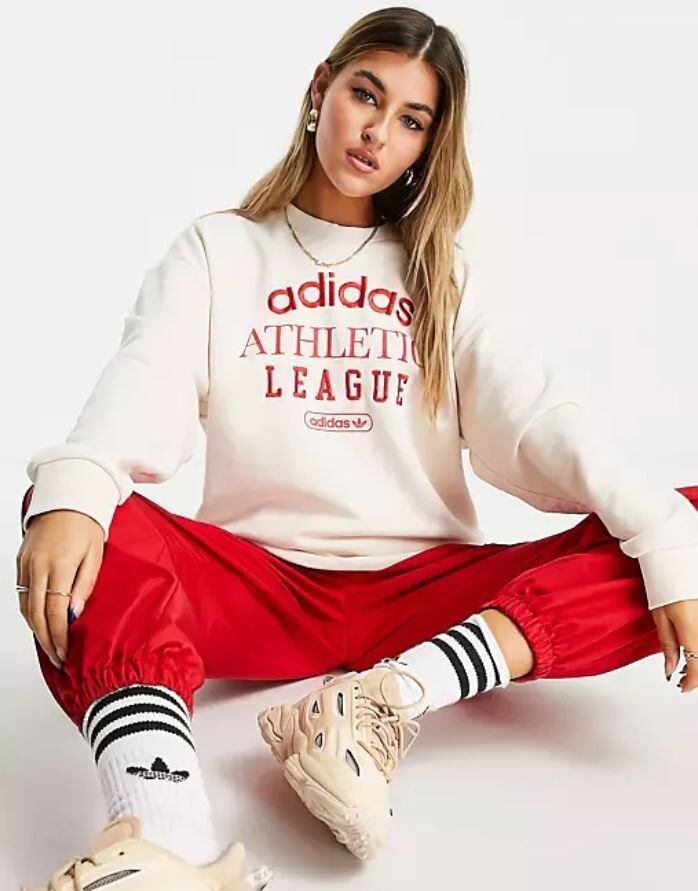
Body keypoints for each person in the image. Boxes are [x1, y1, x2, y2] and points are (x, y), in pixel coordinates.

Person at [15, 5, 698, 888]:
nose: (377, 132)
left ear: (427, 146)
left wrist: (667, 541)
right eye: (366, 96)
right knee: (76, 503)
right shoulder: (221, 250)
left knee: (685, 522)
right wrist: (77, 489)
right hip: (259, 586)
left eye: (411, 120)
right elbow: (144, 380)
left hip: (422, 595)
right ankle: (168, 832)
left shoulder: (439, 272)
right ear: (320, 91)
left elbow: (538, 419)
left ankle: (385, 700)